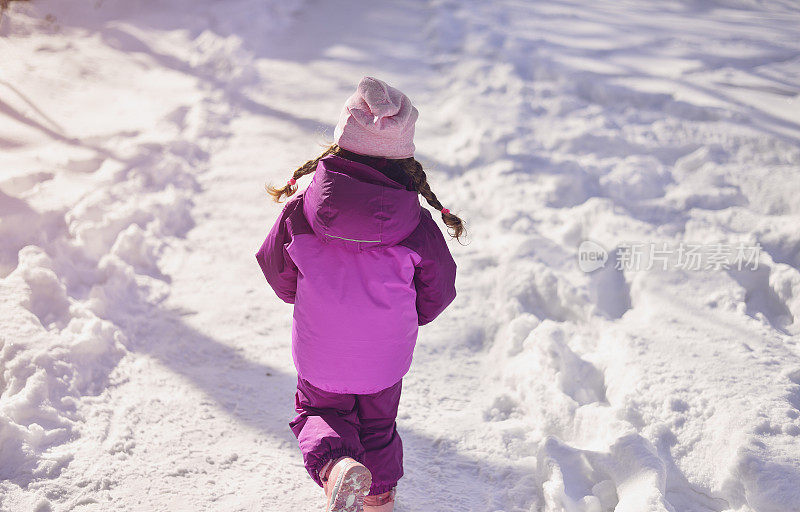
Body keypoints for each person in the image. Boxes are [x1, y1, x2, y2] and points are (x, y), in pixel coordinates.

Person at [256, 76, 463, 512]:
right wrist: (405, 314)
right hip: (385, 356)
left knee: (318, 412)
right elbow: (439, 288)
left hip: (320, 350)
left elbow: (275, 268)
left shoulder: (303, 212)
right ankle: (379, 498)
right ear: (404, 160)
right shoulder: (417, 226)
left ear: (339, 149)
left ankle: (337, 468)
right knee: (378, 424)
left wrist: (311, 297)